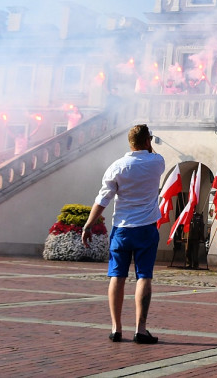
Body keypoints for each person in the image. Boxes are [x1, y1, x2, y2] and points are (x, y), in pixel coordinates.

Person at [81, 123, 164, 344]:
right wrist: (149, 144)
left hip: (122, 229)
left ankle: (116, 328)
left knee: (117, 276)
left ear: (129, 142)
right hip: (146, 227)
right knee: (144, 276)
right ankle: (141, 329)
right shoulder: (157, 162)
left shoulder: (117, 166)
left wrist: (88, 225)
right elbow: (152, 153)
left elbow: (103, 199)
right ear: (148, 141)